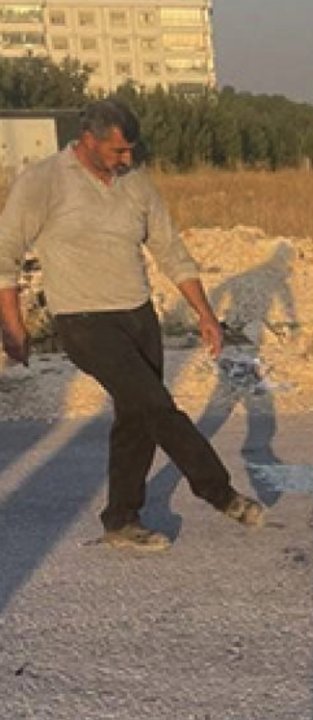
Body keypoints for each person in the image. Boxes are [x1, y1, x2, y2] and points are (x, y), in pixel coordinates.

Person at [0, 99, 265, 551]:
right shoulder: (42, 182)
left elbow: (170, 250)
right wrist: (13, 327)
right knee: (157, 405)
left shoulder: (136, 183)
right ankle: (219, 492)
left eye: (131, 151)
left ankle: (121, 519)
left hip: (138, 316)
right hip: (83, 321)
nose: (127, 160)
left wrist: (205, 314)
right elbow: (4, 255)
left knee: (136, 418)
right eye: (118, 151)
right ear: (88, 140)